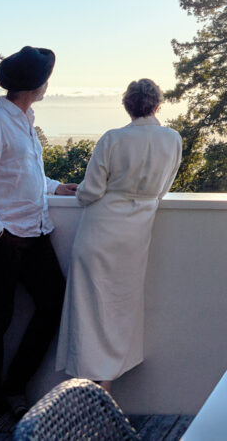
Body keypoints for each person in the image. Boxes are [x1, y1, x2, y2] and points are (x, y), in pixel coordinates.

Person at [0, 46, 78, 432]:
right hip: (0, 241)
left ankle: (13, 388)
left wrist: (57, 187)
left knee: (55, 304)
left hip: (34, 231)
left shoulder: (24, 119)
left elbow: (22, 173)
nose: (47, 85)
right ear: (34, 84)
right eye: (45, 79)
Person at [56, 78, 182, 392]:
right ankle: (106, 384)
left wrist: (77, 192)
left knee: (88, 308)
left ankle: (85, 390)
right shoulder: (172, 139)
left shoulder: (113, 139)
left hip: (100, 230)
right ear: (157, 104)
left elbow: (91, 191)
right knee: (121, 307)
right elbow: (162, 191)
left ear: (127, 106)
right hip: (136, 235)